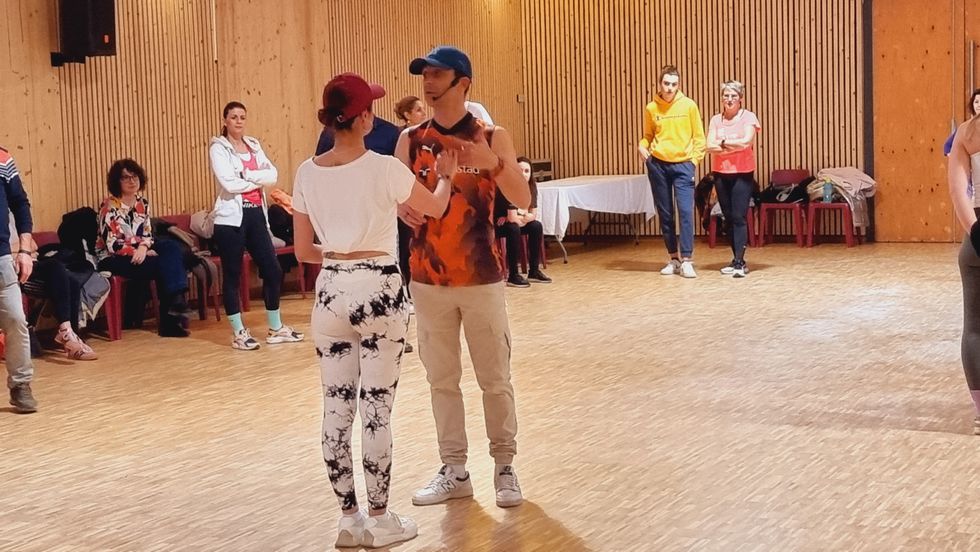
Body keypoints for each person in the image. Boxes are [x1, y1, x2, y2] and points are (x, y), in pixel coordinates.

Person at [293, 72, 453, 548]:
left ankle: (349, 520)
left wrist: (340, 252)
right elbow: (434, 209)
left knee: (335, 408)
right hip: (379, 287)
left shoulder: (306, 173)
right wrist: (445, 175)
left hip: (330, 290)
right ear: (363, 118)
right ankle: (381, 518)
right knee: (376, 410)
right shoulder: (384, 168)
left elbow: (303, 250)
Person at [397, 45, 530, 509]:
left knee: (494, 378)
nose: (428, 83)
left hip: (481, 276)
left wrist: (493, 162)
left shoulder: (492, 135)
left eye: (438, 75)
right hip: (427, 277)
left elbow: (522, 198)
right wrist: (400, 208)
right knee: (441, 380)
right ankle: (454, 469)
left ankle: (505, 466)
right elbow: (396, 196)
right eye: (425, 75)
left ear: (463, 83)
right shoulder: (410, 139)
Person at [209, 101, 304, 350]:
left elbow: (272, 175)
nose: (238, 121)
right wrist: (256, 178)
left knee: (273, 270)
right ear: (225, 120)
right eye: (233, 117)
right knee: (232, 275)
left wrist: (246, 175)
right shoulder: (218, 148)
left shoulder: (253, 145)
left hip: (256, 216)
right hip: (230, 220)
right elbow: (229, 184)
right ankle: (238, 332)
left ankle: (276, 327)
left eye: (242, 117)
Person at [96, 159, 191, 338]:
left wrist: (144, 247)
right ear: (117, 181)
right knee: (164, 264)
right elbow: (112, 244)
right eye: (125, 177)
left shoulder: (142, 203)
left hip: (140, 251)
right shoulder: (108, 207)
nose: (132, 181)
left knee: (171, 247)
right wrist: (139, 250)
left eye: (135, 176)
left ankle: (176, 302)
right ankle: (172, 315)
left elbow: (147, 233)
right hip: (114, 258)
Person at [639, 64, 706, 278]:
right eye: (666, 83)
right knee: (665, 213)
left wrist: (693, 161)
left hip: (684, 165)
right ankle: (674, 258)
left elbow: (699, 137)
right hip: (658, 165)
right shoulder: (651, 108)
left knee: (685, 211)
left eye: (674, 84)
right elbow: (648, 136)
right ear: (659, 84)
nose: (669, 88)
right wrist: (641, 146)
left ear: (679, 85)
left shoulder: (689, 105)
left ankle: (687, 260)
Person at [705, 80, 760, 278]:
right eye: (726, 96)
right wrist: (730, 147)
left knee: (738, 216)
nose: (729, 99)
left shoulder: (748, 117)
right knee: (727, 217)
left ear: (740, 99)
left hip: (742, 174)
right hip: (721, 173)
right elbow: (708, 146)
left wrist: (722, 144)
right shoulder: (715, 120)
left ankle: (739, 262)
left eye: (733, 96)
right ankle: (736, 259)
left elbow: (746, 142)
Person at [949, 100, 980, 434]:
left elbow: (958, 191)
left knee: (975, 326)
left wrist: (975, 231)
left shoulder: (967, 133)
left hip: (976, 234)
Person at [0, 147, 37, 413]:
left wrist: (24, 250)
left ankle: (21, 385)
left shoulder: (2, 158)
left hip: (1, 258)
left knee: (15, 319)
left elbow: (20, 204)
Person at [495, 156, 551, 286]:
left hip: (515, 220)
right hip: (499, 223)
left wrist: (522, 217)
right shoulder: (507, 186)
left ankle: (534, 271)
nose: (524, 174)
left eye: (527, 171)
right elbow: (512, 218)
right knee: (513, 228)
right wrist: (524, 217)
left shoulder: (531, 187)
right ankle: (513, 275)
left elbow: (533, 215)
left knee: (536, 226)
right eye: (520, 170)